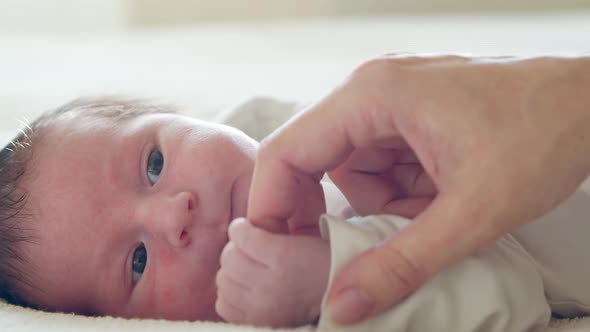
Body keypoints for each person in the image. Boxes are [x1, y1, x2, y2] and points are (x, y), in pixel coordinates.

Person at [0, 96, 589, 331]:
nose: (172, 216)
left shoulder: (297, 121)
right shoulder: (310, 307)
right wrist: (327, 279)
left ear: (184, 114)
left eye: (154, 164)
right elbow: (513, 292)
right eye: (136, 261)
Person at [245, 54, 590, 324]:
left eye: (186, 142)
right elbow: (513, 291)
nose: (187, 202)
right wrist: (327, 278)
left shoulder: (269, 132)